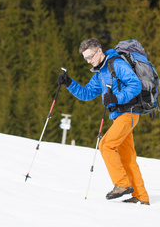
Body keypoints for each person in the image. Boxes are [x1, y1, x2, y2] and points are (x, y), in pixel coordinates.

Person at [58, 38, 150, 205]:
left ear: (99, 51)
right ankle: (141, 196)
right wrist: (69, 83)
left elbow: (135, 85)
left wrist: (116, 97)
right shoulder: (100, 73)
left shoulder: (117, 64)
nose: (89, 61)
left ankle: (122, 184)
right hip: (120, 116)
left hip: (128, 113)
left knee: (106, 145)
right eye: (86, 58)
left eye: (90, 56)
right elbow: (86, 94)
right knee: (127, 157)